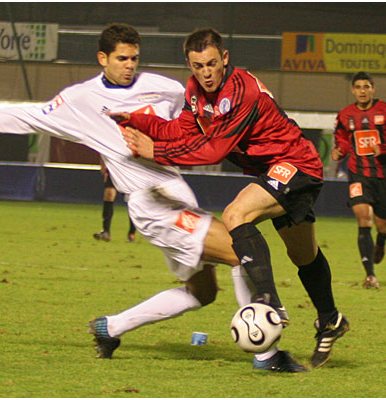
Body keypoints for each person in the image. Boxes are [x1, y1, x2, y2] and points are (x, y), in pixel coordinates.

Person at [0, 23, 306, 373]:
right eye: (121, 58)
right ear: (103, 58)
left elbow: (197, 119)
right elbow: (28, 116)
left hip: (177, 197)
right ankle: (266, 354)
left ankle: (110, 327)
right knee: (239, 248)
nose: (129, 65)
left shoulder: (165, 88)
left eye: (134, 58)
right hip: (153, 206)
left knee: (202, 292)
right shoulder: (80, 100)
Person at [115, 27, 349, 369]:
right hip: (273, 171)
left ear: (224, 58)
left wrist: (157, 152)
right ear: (190, 65)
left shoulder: (243, 91)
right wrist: (138, 121)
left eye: (212, 64)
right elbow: (181, 130)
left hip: (296, 164)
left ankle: (268, 303)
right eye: (198, 66)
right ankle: (330, 319)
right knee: (303, 255)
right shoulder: (195, 91)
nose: (206, 73)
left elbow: (214, 150)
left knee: (235, 214)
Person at [331, 71, 386, 289]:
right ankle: (370, 275)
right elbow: (342, 138)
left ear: (373, 89)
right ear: (353, 90)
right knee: (363, 217)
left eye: (366, 87)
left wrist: (385, 148)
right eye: (358, 87)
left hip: (383, 175)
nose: (362, 91)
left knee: (382, 225)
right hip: (358, 173)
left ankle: (381, 242)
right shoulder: (345, 115)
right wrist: (340, 150)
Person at [93, 158, 137, 242]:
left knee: (131, 201)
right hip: (113, 169)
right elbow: (103, 152)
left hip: (129, 171)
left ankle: (131, 233)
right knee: (109, 194)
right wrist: (103, 166)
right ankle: (106, 231)